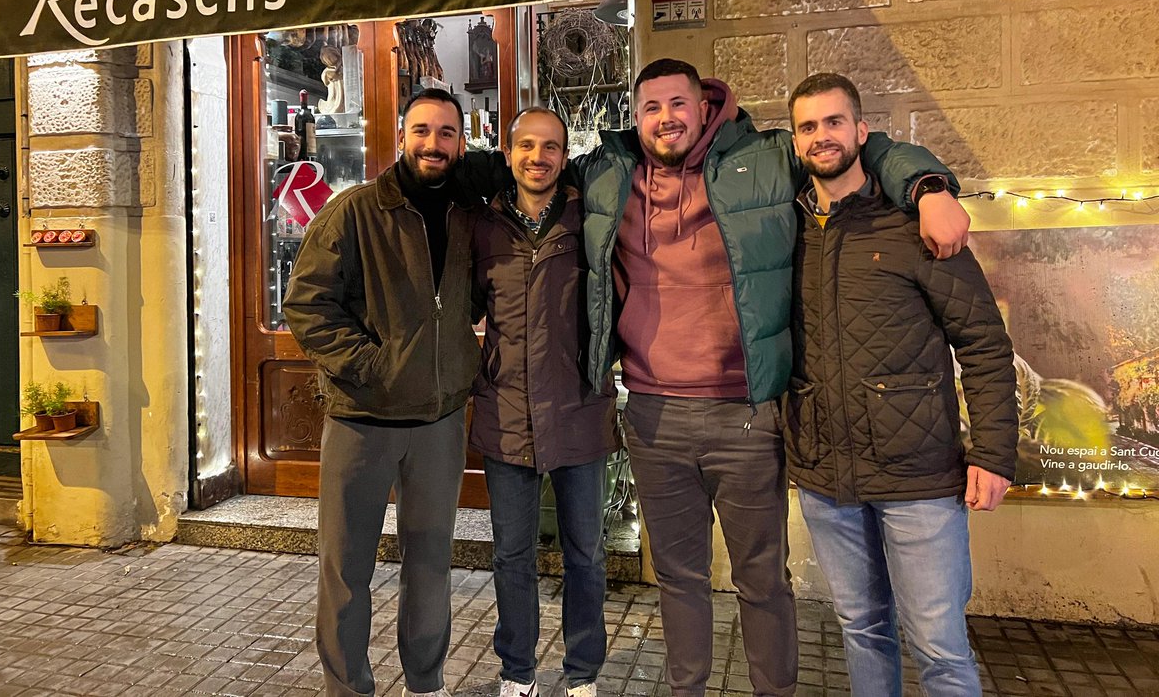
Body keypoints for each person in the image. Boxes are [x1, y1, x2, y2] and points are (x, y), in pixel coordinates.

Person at [571, 58, 971, 697]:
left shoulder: (766, 156)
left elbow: (862, 147)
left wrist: (929, 187)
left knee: (762, 579)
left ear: (704, 105)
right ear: (636, 116)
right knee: (677, 578)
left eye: (678, 103)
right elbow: (526, 170)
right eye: (651, 108)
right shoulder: (608, 174)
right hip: (651, 414)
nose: (666, 118)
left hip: (748, 413)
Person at [784, 72, 1017, 697]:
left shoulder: (913, 224)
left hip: (919, 475)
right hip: (826, 475)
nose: (822, 136)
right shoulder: (787, 231)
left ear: (863, 131)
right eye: (808, 126)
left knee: (939, 644)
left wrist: (994, 454)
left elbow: (984, 343)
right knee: (861, 628)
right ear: (796, 141)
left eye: (835, 122)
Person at [283, 88, 481, 697]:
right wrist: (371, 365)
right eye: (421, 130)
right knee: (346, 570)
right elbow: (307, 305)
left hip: (438, 422)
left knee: (431, 567)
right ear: (400, 137)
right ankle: (347, 688)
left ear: (461, 143)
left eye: (446, 133)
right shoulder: (354, 211)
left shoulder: (469, 215)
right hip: (362, 420)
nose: (432, 144)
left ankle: (426, 682)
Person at [470, 106, 619, 697]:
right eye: (527, 145)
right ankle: (518, 672)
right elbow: (464, 308)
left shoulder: (591, 222)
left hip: (579, 409)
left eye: (551, 146)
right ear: (508, 154)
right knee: (512, 556)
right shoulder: (484, 226)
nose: (538, 157)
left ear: (565, 154)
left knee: (586, 554)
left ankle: (582, 672)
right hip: (506, 414)